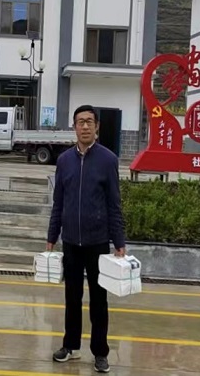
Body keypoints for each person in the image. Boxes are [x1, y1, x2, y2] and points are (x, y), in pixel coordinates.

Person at [47, 105, 126, 374]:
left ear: (97, 126)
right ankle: (70, 346)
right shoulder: (64, 160)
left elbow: (114, 204)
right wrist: (52, 236)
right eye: (80, 122)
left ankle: (100, 352)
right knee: (72, 298)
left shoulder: (108, 160)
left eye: (89, 122)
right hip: (71, 241)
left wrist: (119, 241)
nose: (84, 126)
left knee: (99, 301)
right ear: (74, 127)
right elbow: (58, 202)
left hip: (97, 243)